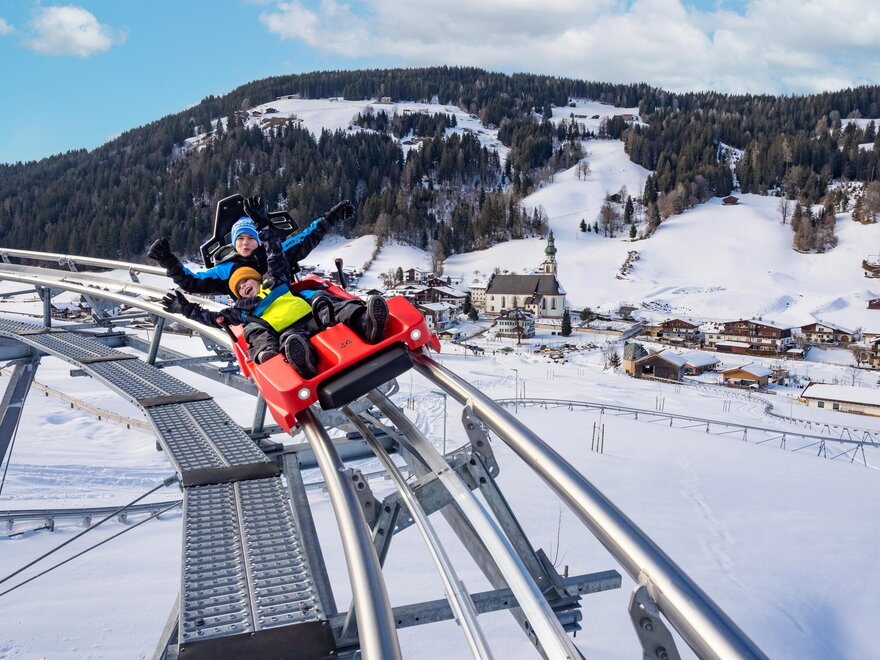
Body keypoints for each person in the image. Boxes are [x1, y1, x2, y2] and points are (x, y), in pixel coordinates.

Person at [161, 221, 388, 379]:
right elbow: (215, 318)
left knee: (325, 302)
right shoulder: (241, 307)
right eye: (238, 287)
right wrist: (187, 309)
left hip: (314, 317)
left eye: (247, 281)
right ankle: (294, 360)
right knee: (267, 334)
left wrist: (265, 229)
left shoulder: (274, 281)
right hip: (288, 331)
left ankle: (365, 321)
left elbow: (276, 255)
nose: (243, 285)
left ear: (258, 280)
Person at [147, 197, 353, 299]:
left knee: (320, 298)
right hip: (257, 316)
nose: (245, 243)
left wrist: (331, 218)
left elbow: (307, 238)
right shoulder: (226, 269)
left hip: (290, 301)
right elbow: (192, 282)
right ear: (234, 242)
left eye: (250, 238)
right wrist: (168, 260)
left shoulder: (275, 252)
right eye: (240, 239)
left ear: (259, 240)